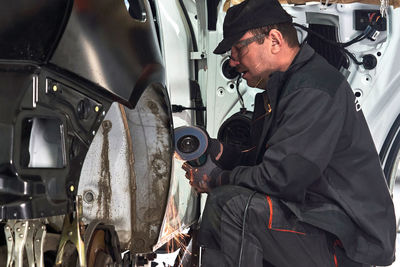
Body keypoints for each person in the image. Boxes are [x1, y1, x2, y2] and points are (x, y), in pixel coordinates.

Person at [181, 0, 396, 266]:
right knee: (232, 203)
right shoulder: (287, 88)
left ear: (273, 40)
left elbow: (279, 179)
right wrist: (223, 154)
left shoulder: (313, 90)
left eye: (238, 48)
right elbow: (270, 161)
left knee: (232, 206)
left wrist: (217, 179)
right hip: (316, 220)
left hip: (347, 241)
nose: (233, 61)